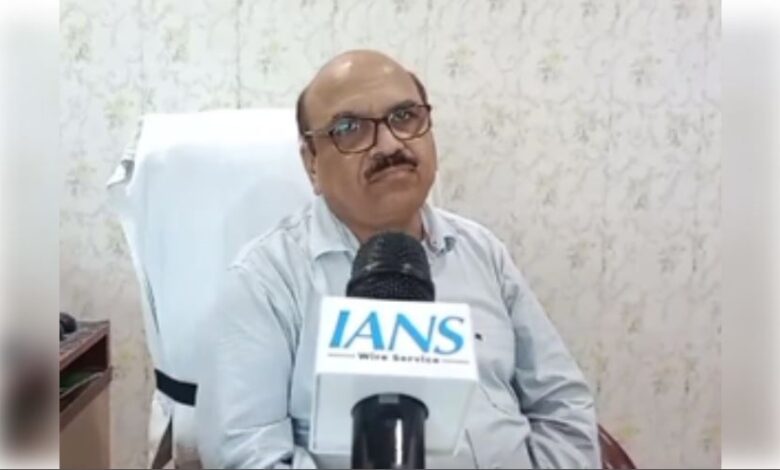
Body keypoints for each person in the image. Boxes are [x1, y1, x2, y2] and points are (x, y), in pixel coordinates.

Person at [195, 49, 601, 469]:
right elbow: (246, 454)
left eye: (405, 117)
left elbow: (563, 405)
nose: (389, 144)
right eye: (349, 128)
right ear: (311, 162)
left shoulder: (481, 250)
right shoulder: (264, 280)